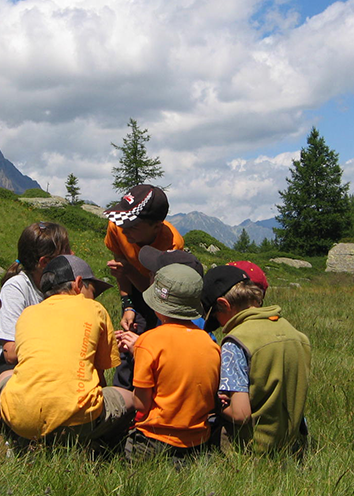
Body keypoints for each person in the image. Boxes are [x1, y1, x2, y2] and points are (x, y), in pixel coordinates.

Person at [0, 255, 134, 449]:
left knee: (4, 374)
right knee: (130, 399)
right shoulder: (95, 309)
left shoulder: (28, 313)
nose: (94, 297)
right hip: (78, 422)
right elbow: (100, 376)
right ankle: (95, 444)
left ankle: (23, 438)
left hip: (21, 421)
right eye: (92, 291)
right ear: (78, 284)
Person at [201, 265, 311, 454]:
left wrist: (214, 403)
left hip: (254, 449)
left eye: (217, 317)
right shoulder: (296, 334)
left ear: (225, 304)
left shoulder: (235, 343)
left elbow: (240, 415)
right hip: (293, 445)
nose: (220, 326)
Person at [122, 263, 220, 462]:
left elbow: (141, 403)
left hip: (152, 441)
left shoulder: (148, 341)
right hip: (198, 443)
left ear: (158, 307)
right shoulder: (211, 344)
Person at [103, 184, 184, 389]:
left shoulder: (172, 245)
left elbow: (157, 294)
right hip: (135, 289)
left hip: (163, 297)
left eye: (133, 225)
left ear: (156, 226)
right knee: (127, 348)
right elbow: (121, 266)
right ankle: (123, 399)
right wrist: (128, 305)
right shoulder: (117, 228)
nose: (124, 229)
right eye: (123, 220)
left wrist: (129, 271)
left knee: (157, 349)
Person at [0, 221, 71, 384]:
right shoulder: (17, 288)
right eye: (66, 250)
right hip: (9, 367)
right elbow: (10, 353)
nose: (72, 254)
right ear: (44, 262)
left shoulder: (60, 287)